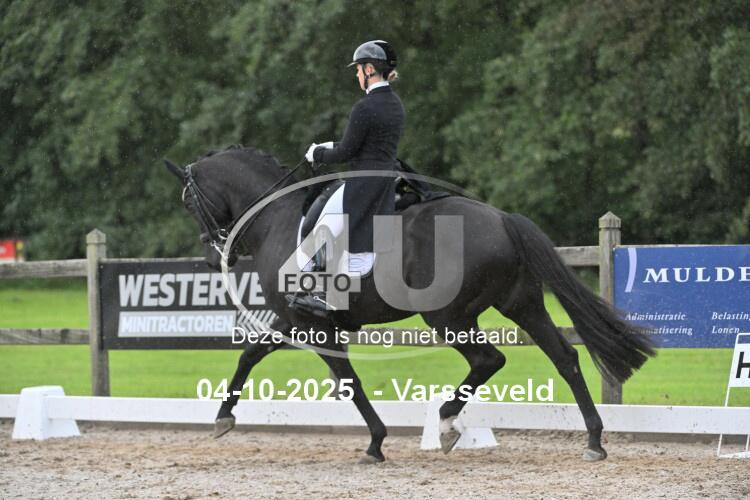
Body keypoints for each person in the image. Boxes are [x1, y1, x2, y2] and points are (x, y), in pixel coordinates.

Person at [287, 40, 405, 319]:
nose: (356, 74)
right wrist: (329, 144)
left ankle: (320, 294)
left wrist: (317, 154)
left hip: (363, 184)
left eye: (358, 69)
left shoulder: (364, 107)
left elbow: (346, 152)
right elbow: (367, 144)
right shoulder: (395, 104)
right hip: (386, 180)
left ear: (369, 69)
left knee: (321, 227)